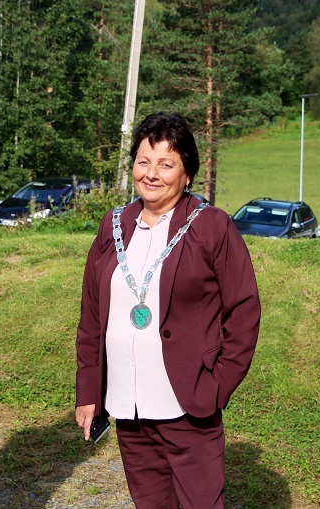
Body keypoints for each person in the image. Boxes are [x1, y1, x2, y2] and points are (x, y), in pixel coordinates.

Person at [75, 112, 260, 508]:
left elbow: (243, 313)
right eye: (144, 161)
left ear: (187, 173)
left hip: (188, 407)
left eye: (166, 163)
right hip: (128, 408)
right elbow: (92, 316)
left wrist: (216, 385)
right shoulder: (113, 228)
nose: (152, 174)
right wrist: (89, 390)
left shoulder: (212, 227)